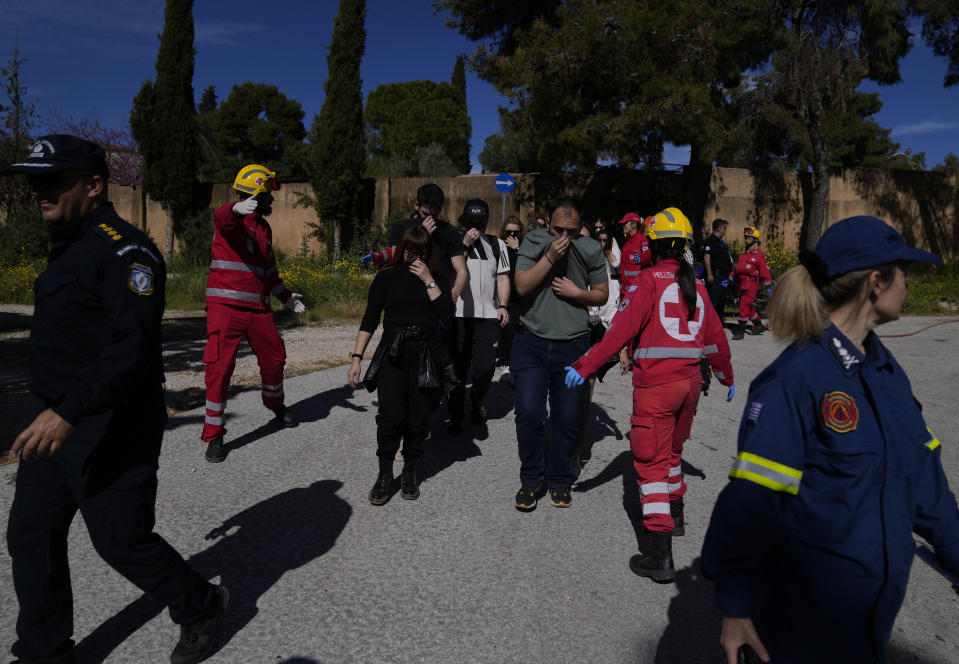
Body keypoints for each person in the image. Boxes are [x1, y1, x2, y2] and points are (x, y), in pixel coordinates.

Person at [3, 135, 227, 664]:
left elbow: (132, 349)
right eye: (36, 181)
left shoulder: (126, 251)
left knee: (121, 541)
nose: (41, 192)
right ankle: (44, 652)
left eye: (53, 181)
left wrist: (68, 411)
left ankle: (200, 604)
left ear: (93, 185)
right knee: (30, 539)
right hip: (56, 421)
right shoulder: (67, 244)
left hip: (110, 423)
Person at [700, 216, 959, 664]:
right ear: (876, 283)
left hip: (873, 615)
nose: (907, 285)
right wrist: (736, 606)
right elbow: (754, 500)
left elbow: (923, 481)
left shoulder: (886, 371)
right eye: (902, 272)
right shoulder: (794, 379)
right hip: (803, 621)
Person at [565, 207, 734, 583]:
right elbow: (716, 341)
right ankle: (676, 518)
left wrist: (584, 366)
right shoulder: (699, 285)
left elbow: (618, 334)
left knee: (652, 466)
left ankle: (659, 555)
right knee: (673, 455)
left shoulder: (645, 281)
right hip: (690, 387)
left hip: (657, 389)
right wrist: (726, 376)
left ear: (652, 245)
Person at [202, 163, 304, 463]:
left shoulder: (263, 227)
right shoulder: (232, 219)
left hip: (259, 308)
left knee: (274, 359)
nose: (272, 201)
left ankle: (275, 405)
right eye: (268, 196)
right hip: (226, 308)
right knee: (219, 369)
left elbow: (269, 269)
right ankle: (215, 434)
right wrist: (235, 208)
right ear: (256, 194)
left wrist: (285, 297)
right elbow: (223, 220)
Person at [511, 198, 609, 511]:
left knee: (567, 419)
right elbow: (522, 286)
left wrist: (577, 293)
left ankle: (559, 481)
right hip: (531, 342)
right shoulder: (534, 241)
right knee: (529, 413)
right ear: (547, 226)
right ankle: (531, 480)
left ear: (580, 228)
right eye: (557, 230)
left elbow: (602, 293)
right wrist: (549, 259)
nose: (563, 238)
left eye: (571, 231)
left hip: (573, 345)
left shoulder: (591, 249)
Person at [347, 225, 456, 505]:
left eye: (421, 253)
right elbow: (370, 319)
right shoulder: (386, 278)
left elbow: (445, 314)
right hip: (393, 354)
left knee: (418, 419)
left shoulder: (438, 277)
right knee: (389, 418)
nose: (414, 258)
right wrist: (356, 359)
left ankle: (409, 471)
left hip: (425, 356)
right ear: (401, 250)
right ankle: (385, 474)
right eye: (410, 251)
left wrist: (429, 280)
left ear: (428, 254)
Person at [447, 199, 511, 436]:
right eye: (471, 221)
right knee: (456, 369)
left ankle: (476, 398)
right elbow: (448, 272)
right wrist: (462, 245)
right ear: (463, 219)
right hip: (458, 315)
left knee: (485, 368)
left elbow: (503, 277)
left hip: (487, 315)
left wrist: (503, 305)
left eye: (480, 221)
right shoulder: (452, 242)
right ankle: (455, 415)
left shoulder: (497, 245)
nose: (476, 225)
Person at [386, 183, 468, 301]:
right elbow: (396, 259)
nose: (430, 219)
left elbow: (461, 270)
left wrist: (455, 291)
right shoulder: (401, 227)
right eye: (425, 214)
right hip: (407, 291)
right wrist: (422, 234)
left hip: (437, 293)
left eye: (434, 215)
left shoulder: (450, 232)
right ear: (416, 205)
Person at [496, 216, 525, 382]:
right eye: (509, 232)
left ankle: (515, 364)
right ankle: (507, 363)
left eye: (516, 232)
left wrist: (517, 249)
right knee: (507, 330)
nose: (512, 235)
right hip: (505, 295)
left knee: (517, 331)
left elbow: (528, 267)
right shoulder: (498, 247)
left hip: (521, 293)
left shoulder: (524, 248)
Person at [731, 226, 772, 340]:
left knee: (744, 305)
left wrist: (768, 286)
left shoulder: (758, 255)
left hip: (751, 284)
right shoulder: (743, 255)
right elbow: (737, 268)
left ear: (755, 240)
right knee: (748, 306)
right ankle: (758, 325)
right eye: (746, 237)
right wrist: (730, 278)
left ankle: (740, 331)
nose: (746, 240)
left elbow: (764, 271)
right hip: (741, 283)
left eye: (749, 238)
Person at [702, 218, 733, 321]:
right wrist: (710, 274)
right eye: (724, 228)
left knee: (721, 300)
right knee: (714, 300)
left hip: (724, 277)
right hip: (717, 276)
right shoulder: (711, 240)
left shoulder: (720, 241)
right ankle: (709, 323)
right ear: (720, 228)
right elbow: (707, 256)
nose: (725, 230)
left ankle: (719, 322)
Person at [618, 211, 652, 293]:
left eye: (625, 223)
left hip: (636, 290)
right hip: (624, 290)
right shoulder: (627, 242)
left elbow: (647, 257)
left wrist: (640, 259)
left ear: (634, 225)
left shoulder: (642, 240)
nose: (623, 226)